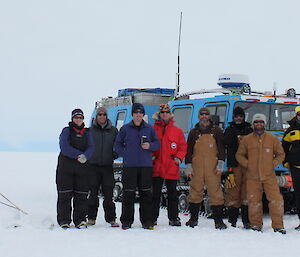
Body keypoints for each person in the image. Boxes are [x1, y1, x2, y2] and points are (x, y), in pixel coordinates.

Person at [236, 113, 286, 234]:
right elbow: (239, 155)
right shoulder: (247, 139)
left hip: (269, 176)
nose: (259, 124)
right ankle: (256, 224)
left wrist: (273, 163)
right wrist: (248, 164)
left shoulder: (272, 138)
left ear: (264, 124)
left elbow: (281, 154)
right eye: (256, 122)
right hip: (252, 176)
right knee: (254, 201)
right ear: (253, 124)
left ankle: (278, 225)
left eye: (261, 122)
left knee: (276, 200)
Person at [114, 103, 160, 230]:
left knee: (146, 194)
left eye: (140, 113)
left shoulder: (149, 128)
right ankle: (127, 221)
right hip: (130, 166)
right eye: (136, 113)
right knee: (128, 194)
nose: (138, 115)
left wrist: (149, 146)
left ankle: (147, 221)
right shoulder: (125, 128)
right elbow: (117, 145)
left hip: (145, 166)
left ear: (143, 115)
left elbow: (157, 144)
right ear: (133, 114)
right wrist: (125, 153)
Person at [185, 107, 227, 229]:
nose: (204, 116)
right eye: (202, 114)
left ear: (209, 116)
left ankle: (218, 221)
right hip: (196, 167)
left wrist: (220, 164)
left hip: (213, 167)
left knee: (216, 193)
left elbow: (221, 149)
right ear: (199, 116)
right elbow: (189, 150)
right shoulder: (193, 132)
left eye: (206, 114)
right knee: (195, 192)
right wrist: (188, 166)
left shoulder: (217, 131)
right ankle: (193, 220)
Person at [56, 109, 94, 229]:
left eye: (80, 118)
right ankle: (64, 220)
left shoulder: (87, 133)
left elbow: (92, 147)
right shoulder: (66, 131)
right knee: (65, 195)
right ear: (72, 119)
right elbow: (64, 147)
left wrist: (86, 156)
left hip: (82, 168)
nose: (78, 120)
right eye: (76, 117)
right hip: (65, 168)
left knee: (81, 195)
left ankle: (80, 220)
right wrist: (78, 155)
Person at [152, 104, 187, 226]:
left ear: (170, 114)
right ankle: (152, 217)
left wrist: (178, 159)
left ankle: (173, 218)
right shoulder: (153, 129)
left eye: (167, 112)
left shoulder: (177, 131)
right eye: (162, 112)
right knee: (155, 194)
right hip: (157, 165)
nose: (165, 114)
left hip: (171, 165)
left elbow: (183, 147)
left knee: (172, 194)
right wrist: (151, 156)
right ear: (159, 114)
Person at [87, 107, 119, 227]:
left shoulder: (113, 131)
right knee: (93, 194)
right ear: (96, 116)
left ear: (106, 116)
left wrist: (114, 154)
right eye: (99, 114)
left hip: (107, 166)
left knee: (108, 194)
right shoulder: (90, 131)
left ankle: (111, 219)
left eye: (104, 114)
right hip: (93, 166)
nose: (101, 116)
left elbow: (119, 144)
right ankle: (91, 217)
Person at [223, 107, 253, 229]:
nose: (238, 118)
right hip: (232, 167)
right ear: (233, 117)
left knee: (247, 193)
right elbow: (225, 143)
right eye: (236, 116)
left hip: (247, 166)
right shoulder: (229, 129)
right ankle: (232, 221)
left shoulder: (249, 130)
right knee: (231, 192)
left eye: (240, 116)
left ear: (243, 117)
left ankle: (246, 221)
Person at [282, 106, 300, 231]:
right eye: (299, 114)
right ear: (296, 115)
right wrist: (286, 162)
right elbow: (283, 149)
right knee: (298, 195)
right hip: (296, 167)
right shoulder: (290, 131)